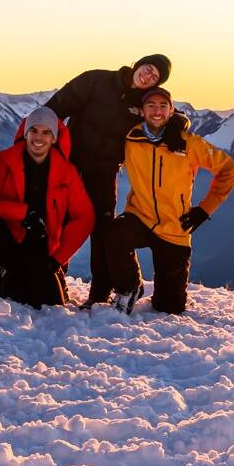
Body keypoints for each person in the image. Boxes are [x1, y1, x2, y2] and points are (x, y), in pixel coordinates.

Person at [96, 84, 234, 314]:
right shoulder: (131, 138)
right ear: (142, 111)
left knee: (169, 308)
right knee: (114, 233)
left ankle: (169, 296)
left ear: (171, 111)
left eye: (163, 106)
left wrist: (204, 209)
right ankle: (129, 287)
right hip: (139, 216)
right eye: (151, 106)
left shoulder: (187, 143)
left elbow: (226, 169)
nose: (157, 111)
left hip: (175, 226)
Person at [46, 54, 171, 303]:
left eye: (154, 77)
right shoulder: (98, 80)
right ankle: (53, 275)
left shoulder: (144, 105)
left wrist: (178, 125)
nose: (148, 76)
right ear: (138, 64)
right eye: (148, 68)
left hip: (104, 171)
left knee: (101, 228)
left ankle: (99, 293)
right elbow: (56, 106)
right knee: (58, 217)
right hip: (71, 163)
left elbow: (166, 116)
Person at [0, 107, 94, 308]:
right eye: (34, 130)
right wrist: (23, 212)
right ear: (26, 133)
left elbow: (84, 218)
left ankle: (28, 279)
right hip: (9, 240)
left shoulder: (66, 172)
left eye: (46, 132)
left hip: (42, 249)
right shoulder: (4, 161)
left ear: (54, 138)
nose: (39, 137)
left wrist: (57, 259)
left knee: (45, 304)